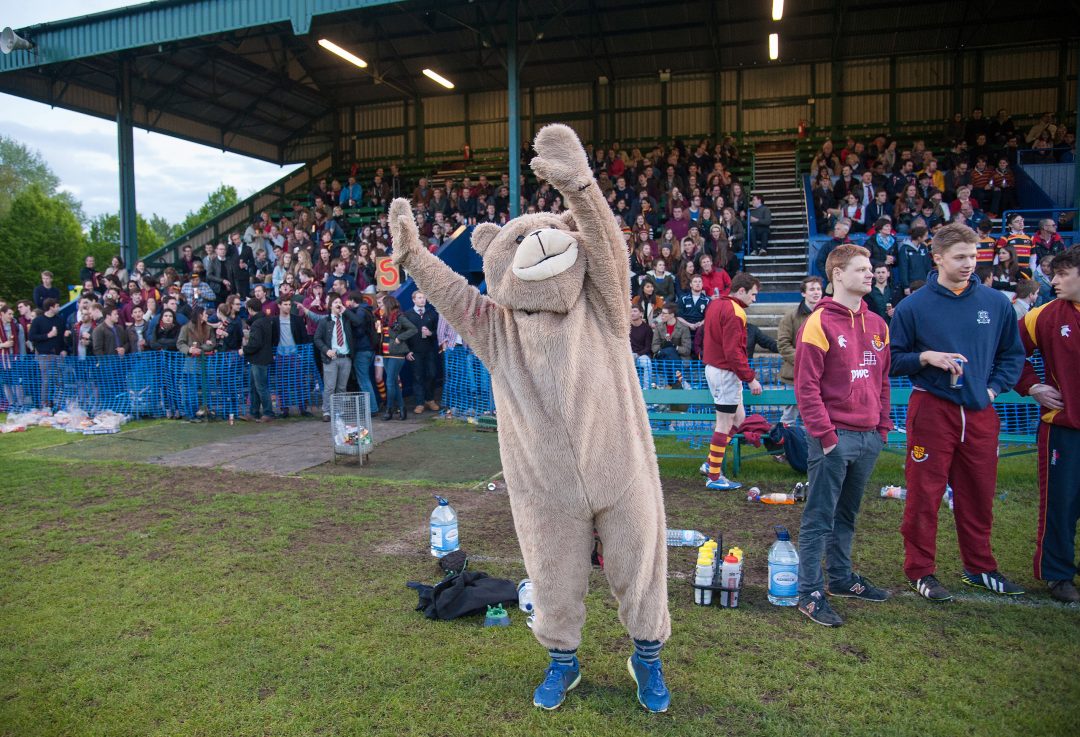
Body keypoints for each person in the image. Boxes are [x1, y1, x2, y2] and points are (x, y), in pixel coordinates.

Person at [890, 222, 1026, 601]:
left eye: (973, 255)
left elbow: (1012, 355)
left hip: (980, 412)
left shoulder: (996, 303)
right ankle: (920, 570)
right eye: (960, 257)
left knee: (979, 493)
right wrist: (925, 357)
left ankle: (979, 567)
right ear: (938, 258)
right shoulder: (912, 306)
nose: (969, 263)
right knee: (924, 494)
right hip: (932, 410)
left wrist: (994, 388)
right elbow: (892, 360)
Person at [794, 245, 892, 626]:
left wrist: (881, 428)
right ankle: (809, 592)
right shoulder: (817, 324)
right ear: (837, 274)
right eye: (862, 269)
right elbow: (806, 389)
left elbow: (882, 381)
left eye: (871, 269)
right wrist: (826, 435)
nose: (871, 274)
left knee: (847, 515)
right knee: (819, 517)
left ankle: (840, 578)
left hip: (868, 437)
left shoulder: (879, 324)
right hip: (833, 438)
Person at [1015, 245, 1080, 602]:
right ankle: (1058, 575)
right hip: (1064, 428)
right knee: (1061, 502)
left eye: (1061, 274)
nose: (1052, 280)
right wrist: (1032, 386)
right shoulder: (1044, 316)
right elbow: (1009, 352)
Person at [699, 273, 763, 491]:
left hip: (715, 368)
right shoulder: (736, 312)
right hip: (725, 372)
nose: (755, 299)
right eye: (753, 295)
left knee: (740, 418)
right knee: (724, 423)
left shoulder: (715, 304)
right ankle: (714, 476)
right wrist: (751, 379)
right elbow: (734, 352)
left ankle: (711, 462)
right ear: (742, 291)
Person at [777, 276, 823, 425]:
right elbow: (783, 344)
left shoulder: (827, 315)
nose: (816, 292)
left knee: (818, 415)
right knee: (789, 416)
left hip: (822, 375)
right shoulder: (790, 316)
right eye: (812, 289)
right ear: (803, 293)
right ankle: (785, 446)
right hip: (794, 375)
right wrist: (804, 361)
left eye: (818, 289)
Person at [313, 294, 361, 422]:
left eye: (340, 302)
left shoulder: (346, 319)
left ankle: (339, 411)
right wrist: (326, 350)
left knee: (341, 387)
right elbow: (317, 338)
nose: (338, 305)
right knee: (329, 386)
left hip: (346, 357)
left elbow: (358, 322)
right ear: (330, 306)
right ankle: (327, 411)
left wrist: (345, 311)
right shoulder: (325, 321)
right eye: (335, 303)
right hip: (331, 358)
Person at [378, 295, 417, 421]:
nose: (380, 306)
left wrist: (400, 338)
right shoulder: (384, 317)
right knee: (393, 382)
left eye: (382, 304)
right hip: (385, 353)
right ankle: (402, 408)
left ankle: (389, 409)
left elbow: (413, 329)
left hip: (396, 353)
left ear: (387, 305)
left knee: (389, 382)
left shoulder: (399, 317)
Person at [402, 291, 441, 414]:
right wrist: (406, 352)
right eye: (419, 298)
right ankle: (419, 403)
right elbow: (402, 335)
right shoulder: (407, 315)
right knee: (417, 377)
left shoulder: (432, 314)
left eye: (424, 297)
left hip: (429, 350)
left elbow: (439, 332)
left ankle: (429, 399)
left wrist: (430, 333)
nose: (422, 300)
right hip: (414, 352)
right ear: (413, 300)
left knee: (432, 374)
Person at [241, 297, 276, 422]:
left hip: (258, 359)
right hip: (262, 357)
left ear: (250, 309)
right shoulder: (266, 320)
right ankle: (253, 412)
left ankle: (268, 413)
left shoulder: (257, 324)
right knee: (254, 387)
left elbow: (255, 343)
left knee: (261, 387)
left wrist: (244, 350)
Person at [629, 305, 653, 390]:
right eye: (631, 311)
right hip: (628, 355)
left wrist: (638, 354)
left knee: (647, 363)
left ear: (641, 314)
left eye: (635, 311)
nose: (632, 313)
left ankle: (647, 388)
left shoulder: (647, 328)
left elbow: (648, 347)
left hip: (642, 355)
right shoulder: (626, 327)